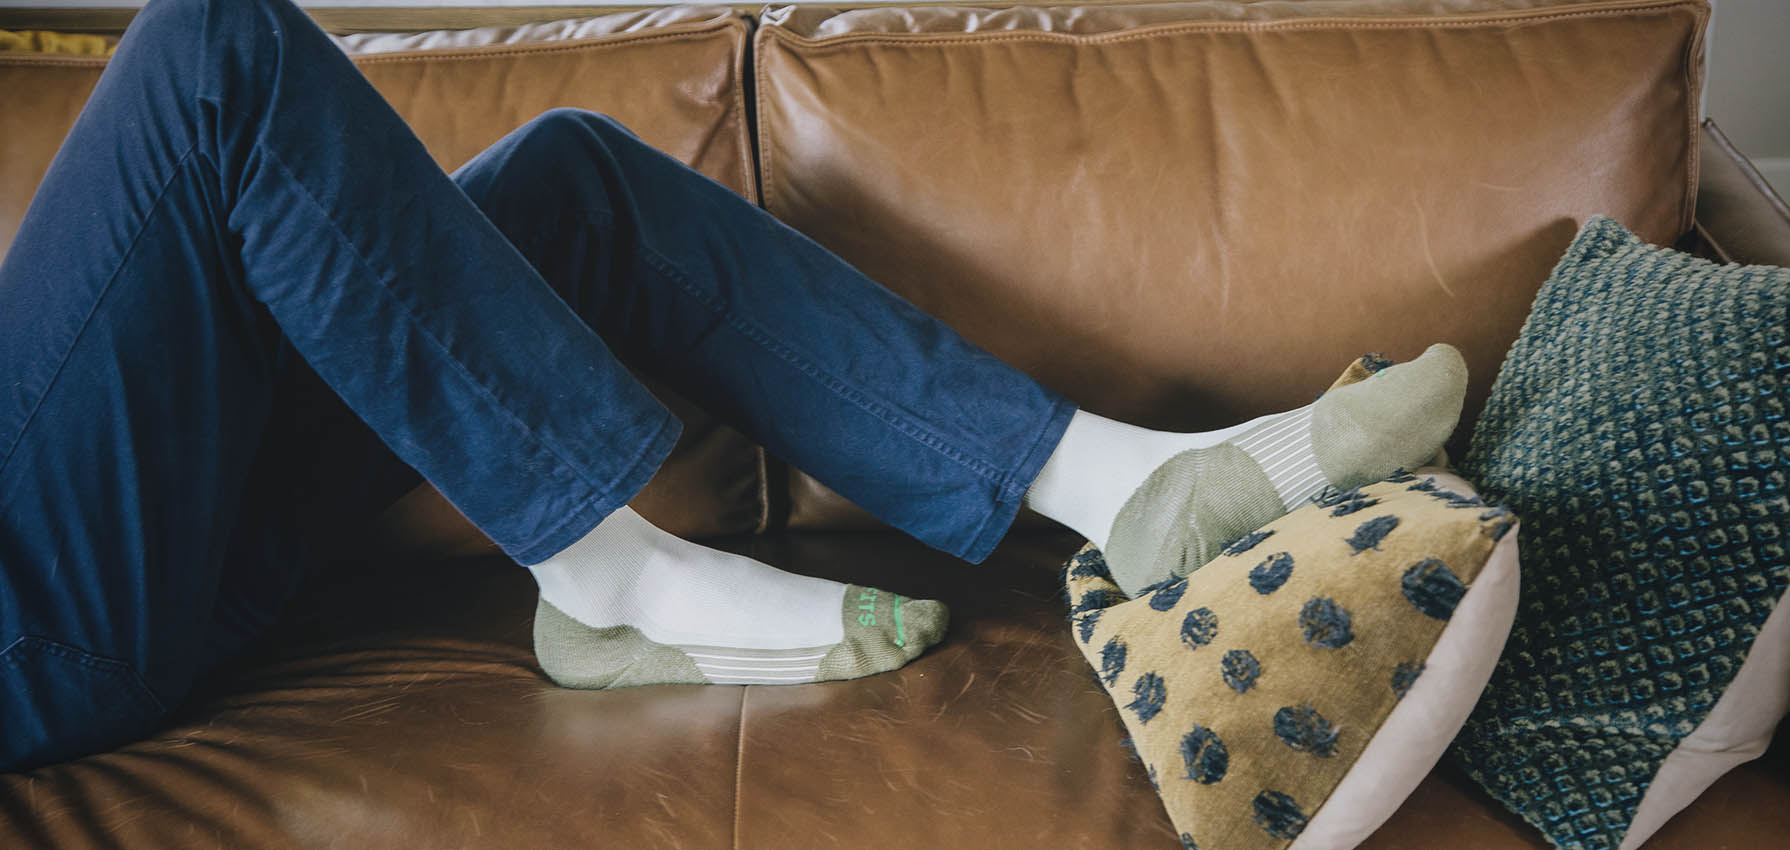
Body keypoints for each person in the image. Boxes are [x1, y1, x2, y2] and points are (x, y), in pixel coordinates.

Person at [0, 0, 1467, 773]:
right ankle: (605, 576)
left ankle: (1114, 484)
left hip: (149, 543)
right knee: (210, 48)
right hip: (35, 626)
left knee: (571, 180)